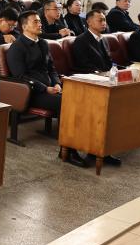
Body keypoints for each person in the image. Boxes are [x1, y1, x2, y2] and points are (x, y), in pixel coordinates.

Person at [6, 11, 87, 165]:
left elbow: (51, 69)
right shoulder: (17, 48)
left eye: (39, 21)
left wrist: (56, 83)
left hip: (51, 89)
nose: (40, 24)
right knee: (68, 104)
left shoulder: (43, 43)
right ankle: (67, 151)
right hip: (31, 93)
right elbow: (20, 76)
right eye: (35, 22)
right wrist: (45, 88)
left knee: (81, 99)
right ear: (24, 26)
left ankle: (91, 147)